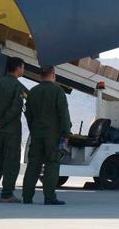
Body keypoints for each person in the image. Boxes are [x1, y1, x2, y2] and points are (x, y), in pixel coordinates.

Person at [22, 65, 72, 205]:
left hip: (36, 134)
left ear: (40, 76)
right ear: (53, 75)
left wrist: (34, 129)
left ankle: (27, 197)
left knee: (33, 165)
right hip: (53, 135)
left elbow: (28, 114)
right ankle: (49, 197)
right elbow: (64, 114)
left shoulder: (33, 91)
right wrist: (66, 133)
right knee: (52, 164)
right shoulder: (58, 91)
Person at [0, 57, 26, 203]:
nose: (23, 70)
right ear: (17, 68)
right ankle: (7, 194)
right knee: (11, 163)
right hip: (11, 132)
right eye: (22, 67)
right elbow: (16, 109)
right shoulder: (17, 86)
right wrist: (1, 123)